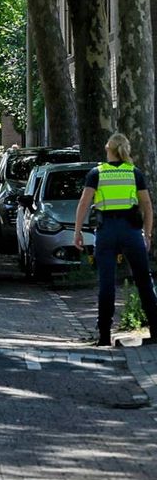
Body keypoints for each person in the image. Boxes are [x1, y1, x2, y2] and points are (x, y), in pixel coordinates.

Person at [74, 132, 157, 347]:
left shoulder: (97, 173)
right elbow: (147, 205)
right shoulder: (134, 173)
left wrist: (78, 231)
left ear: (108, 149)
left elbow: (84, 203)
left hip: (106, 230)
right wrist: (147, 234)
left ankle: (103, 335)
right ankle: (155, 330)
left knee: (106, 282)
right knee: (144, 280)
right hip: (131, 229)